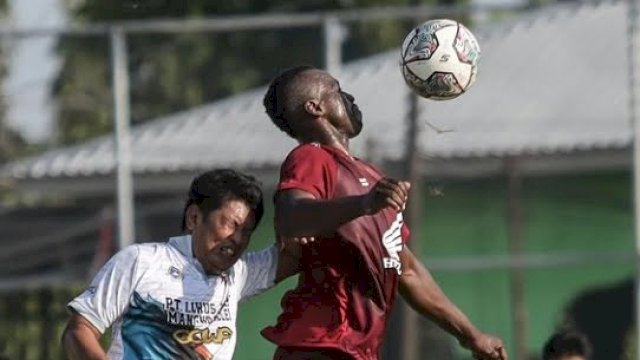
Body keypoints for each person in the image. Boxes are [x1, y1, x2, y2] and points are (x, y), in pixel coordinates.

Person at [260, 65, 508, 360]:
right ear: (315, 108)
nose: (348, 98)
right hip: (319, 344)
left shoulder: (372, 177)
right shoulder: (311, 157)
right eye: (336, 90)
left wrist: (471, 335)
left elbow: (409, 271)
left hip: (355, 349)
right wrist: (363, 204)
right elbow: (292, 217)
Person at [62, 168, 303, 360]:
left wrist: (294, 217)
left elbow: (295, 256)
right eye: (230, 224)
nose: (237, 239)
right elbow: (78, 330)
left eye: (246, 231)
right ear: (194, 217)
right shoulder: (140, 261)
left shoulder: (239, 273)